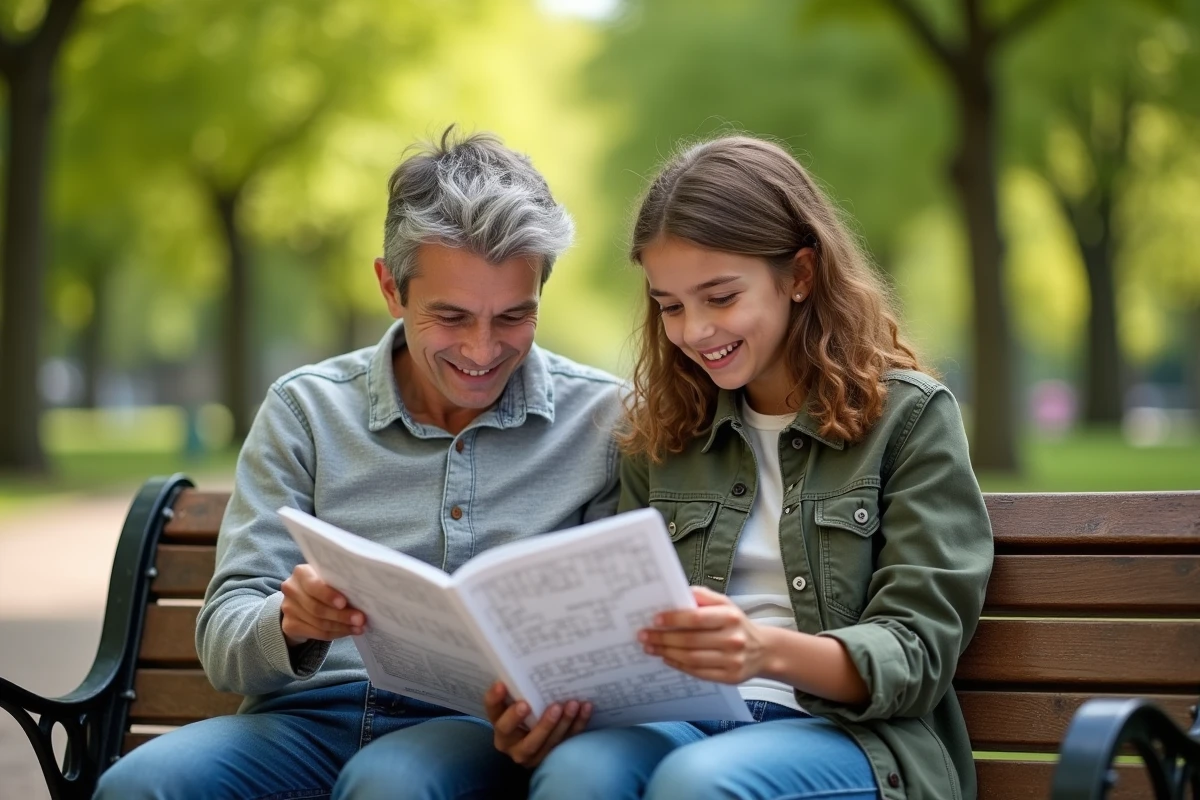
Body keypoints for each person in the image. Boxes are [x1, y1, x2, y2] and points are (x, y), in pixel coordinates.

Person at [94, 128, 621, 799]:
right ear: (390, 288)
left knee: (391, 786)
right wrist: (291, 623)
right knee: (141, 785)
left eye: (515, 316)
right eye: (451, 316)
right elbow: (225, 640)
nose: (483, 349)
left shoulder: (602, 420)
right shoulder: (307, 411)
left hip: (477, 732)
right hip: (306, 721)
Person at [506, 135, 994, 799]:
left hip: (853, 737)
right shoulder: (664, 431)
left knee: (696, 783)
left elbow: (916, 652)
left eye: (721, 297)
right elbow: (630, 625)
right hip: (688, 721)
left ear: (799, 274)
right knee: (577, 772)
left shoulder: (908, 419)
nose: (696, 330)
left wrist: (763, 651)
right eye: (670, 306)